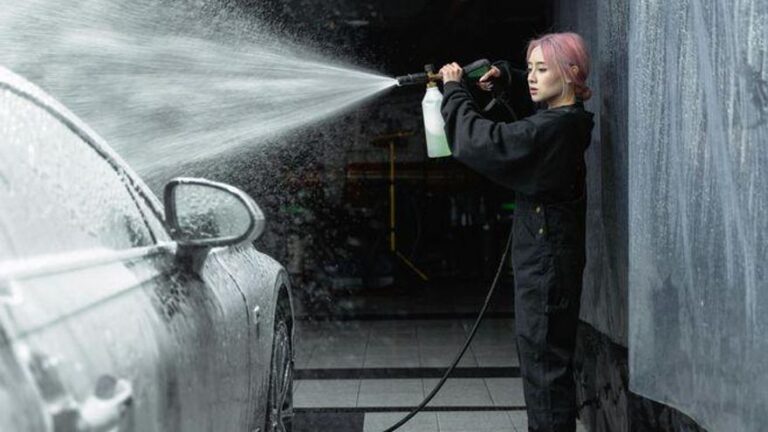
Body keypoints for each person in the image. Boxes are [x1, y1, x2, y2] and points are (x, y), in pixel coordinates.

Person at [439, 32, 594, 432]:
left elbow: (485, 142)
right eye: (530, 68)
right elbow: (534, 107)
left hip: (546, 266)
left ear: (571, 73)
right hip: (547, 259)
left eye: (542, 69)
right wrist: (504, 75)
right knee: (543, 362)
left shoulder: (554, 130)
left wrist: (455, 92)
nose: (532, 77)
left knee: (544, 369)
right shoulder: (565, 118)